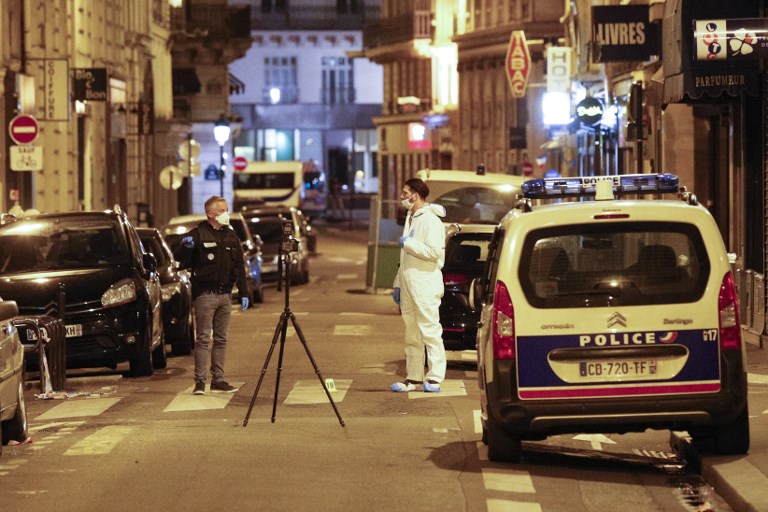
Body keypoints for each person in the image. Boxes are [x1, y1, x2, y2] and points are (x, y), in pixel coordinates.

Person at [174, 196, 249, 395]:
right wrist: (185, 246)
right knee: (203, 339)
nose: (227, 213)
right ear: (211, 214)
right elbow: (178, 256)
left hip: (225, 295)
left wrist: (243, 292)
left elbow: (239, 266)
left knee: (222, 339)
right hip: (205, 295)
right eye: (223, 210)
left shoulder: (231, 235)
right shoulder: (198, 234)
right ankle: (200, 382)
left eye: (227, 209)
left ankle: (219, 380)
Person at [391, 178, 447, 393]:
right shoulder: (411, 217)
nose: (402, 197)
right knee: (411, 334)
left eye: (405, 193)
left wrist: (410, 244)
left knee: (430, 331)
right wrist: (398, 283)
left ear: (416, 195)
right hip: (408, 285)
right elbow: (404, 258)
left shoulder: (430, 220)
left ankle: (434, 378)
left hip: (425, 284)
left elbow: (434, 252)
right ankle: (414, 378)